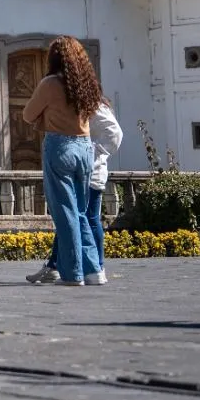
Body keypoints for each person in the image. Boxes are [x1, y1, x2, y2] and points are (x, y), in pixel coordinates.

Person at [22, 36, 104, 287]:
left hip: (60, 147)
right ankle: (94, 271)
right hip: (85, 147)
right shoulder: (87, 84)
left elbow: (27, 114)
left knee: (65, 213)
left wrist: (47, 114)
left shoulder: (50, 83)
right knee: (81, 212)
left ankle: (72, 273)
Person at [27, 95, 123, 285]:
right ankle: (54, 266)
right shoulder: (83, 104)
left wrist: (92, 151)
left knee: (87, 219)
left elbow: (114, 133)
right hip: (84, 169)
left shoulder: (93, 104)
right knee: (70, 219)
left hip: (91, 172)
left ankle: (97, 266)